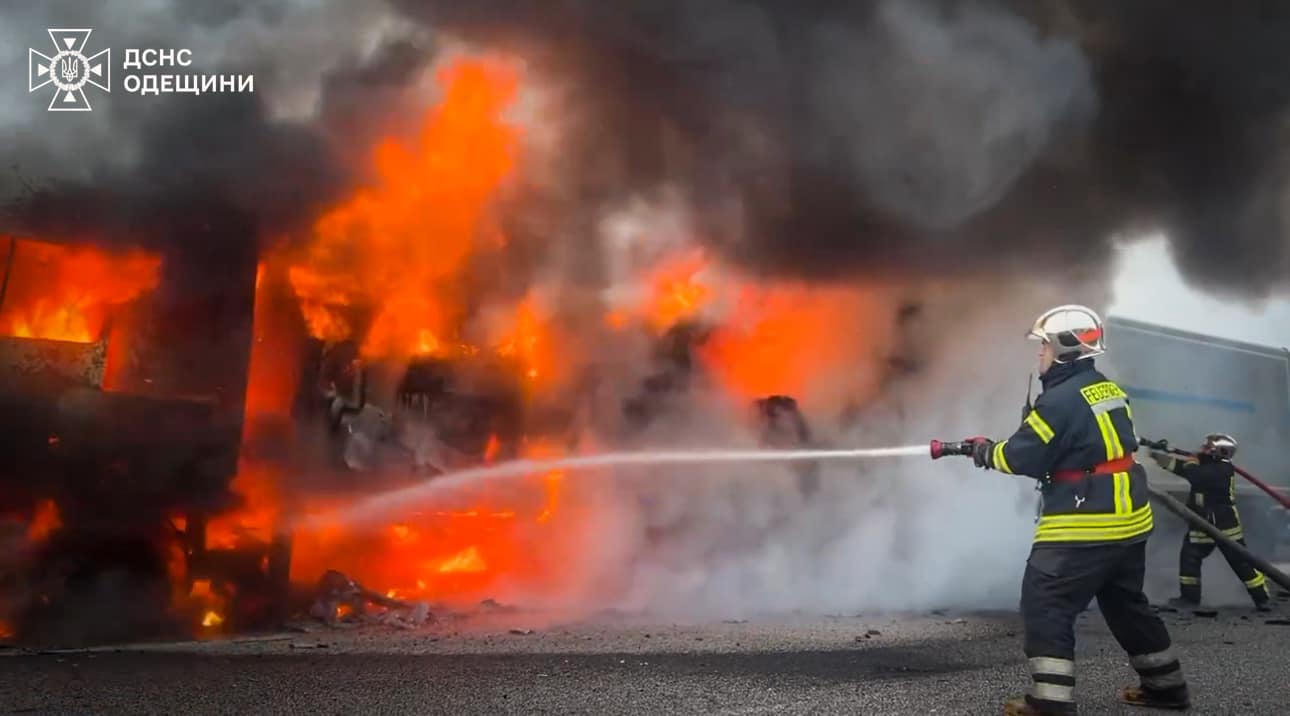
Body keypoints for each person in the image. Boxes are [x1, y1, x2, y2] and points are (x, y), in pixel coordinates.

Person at [964, 304, 1189, 715]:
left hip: (1087, 521)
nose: (1040, 353)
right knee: (1126, 604)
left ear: (1065, 350)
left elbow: (1020, 457)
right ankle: (1166, 687)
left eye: (1045, 346)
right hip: (1129, 521)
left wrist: (983, 451)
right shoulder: (1106, 389)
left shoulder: (1059, 402)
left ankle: (1049, 702)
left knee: (1045, 602)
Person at [1150, 434, 1272, 611]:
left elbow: (1194, 474)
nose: (1202, 449)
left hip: (1224, 524)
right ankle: (1189, 598)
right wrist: (1158, 457)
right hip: (1202, 522)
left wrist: (1192, 460)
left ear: (1220, 452)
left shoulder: (1222, 469)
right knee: (1190, 558)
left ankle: (1262, 598)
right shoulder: (1207, 465)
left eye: (1207, 448)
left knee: (1240, 561)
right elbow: (1183, 468)